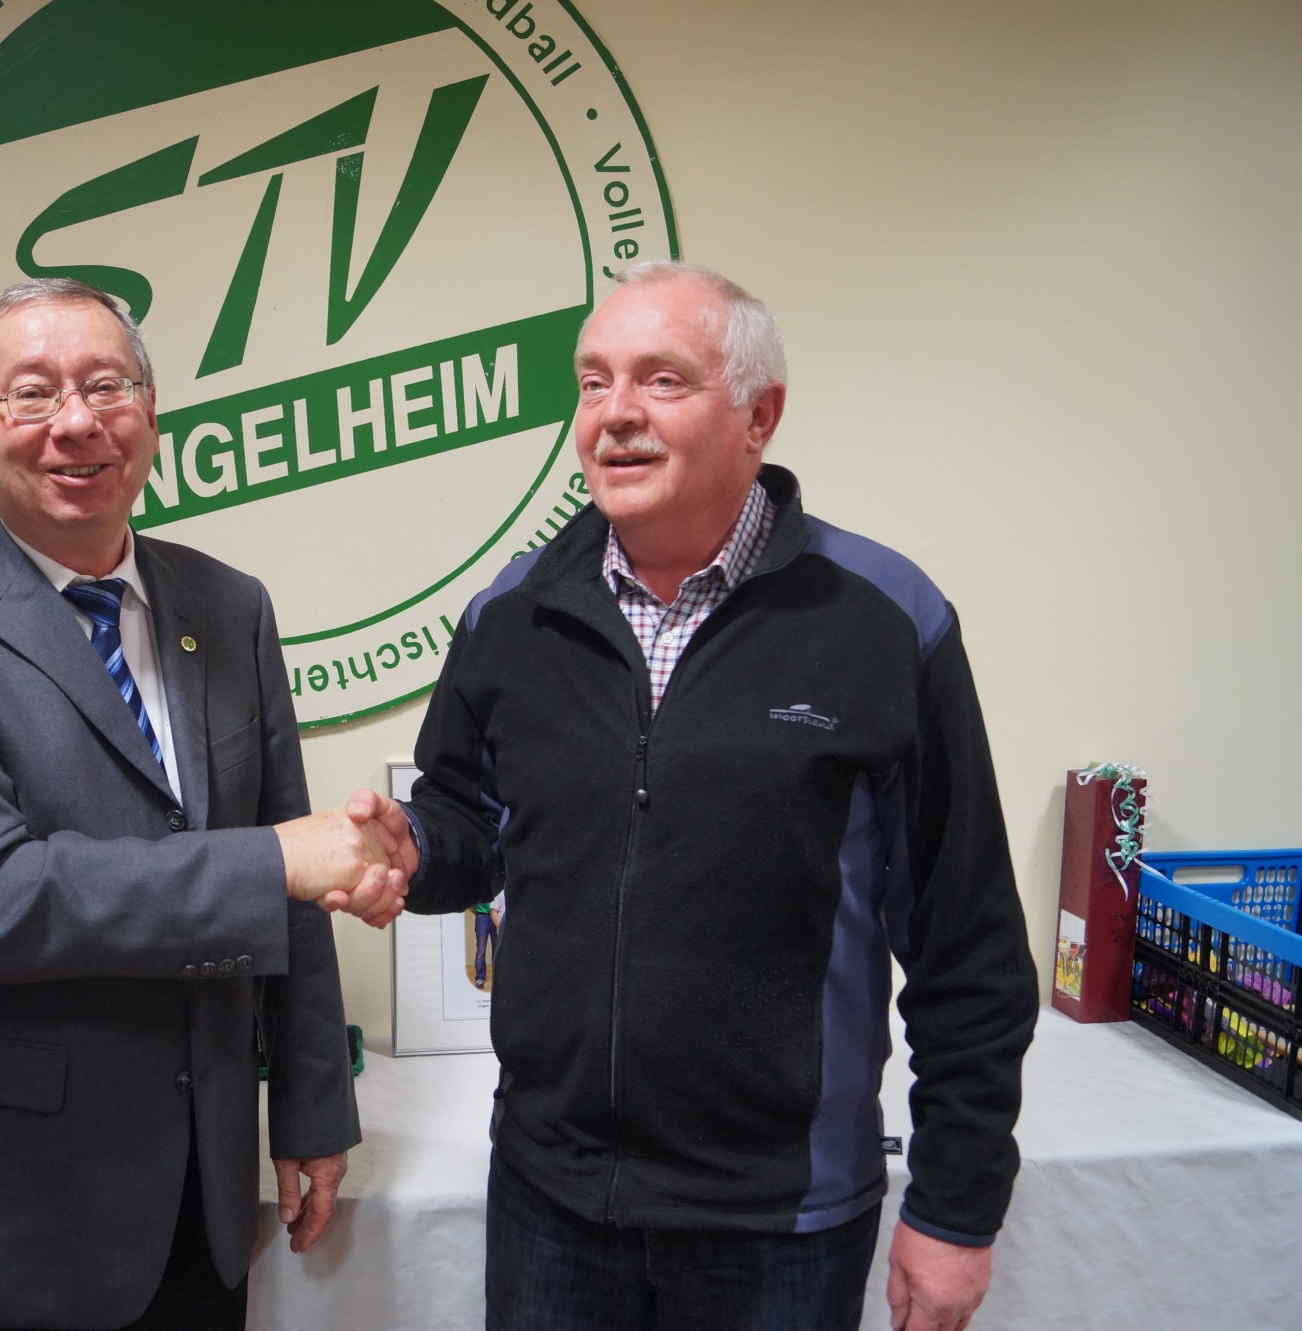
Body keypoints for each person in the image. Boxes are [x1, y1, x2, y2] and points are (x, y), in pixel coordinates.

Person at [355, 261, 1038, 1331]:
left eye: (660, 379)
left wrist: (956, 1203)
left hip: (779, 1221)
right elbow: (469, 820)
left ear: (758, 415)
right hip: (550, 1195)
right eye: (592, 381)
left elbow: (969, 941)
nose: (613, 412)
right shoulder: (511, 610)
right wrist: (411, 848)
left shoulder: (882, 618)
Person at [0, 278, 407, 1331]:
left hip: (199, 1199)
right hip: (3, 1211)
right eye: (32, 394)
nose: (76, 422)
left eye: (105, 386)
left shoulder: (229, 605)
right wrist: (273, 859)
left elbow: (297, 895)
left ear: (151, 413)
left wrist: (311, 1107)